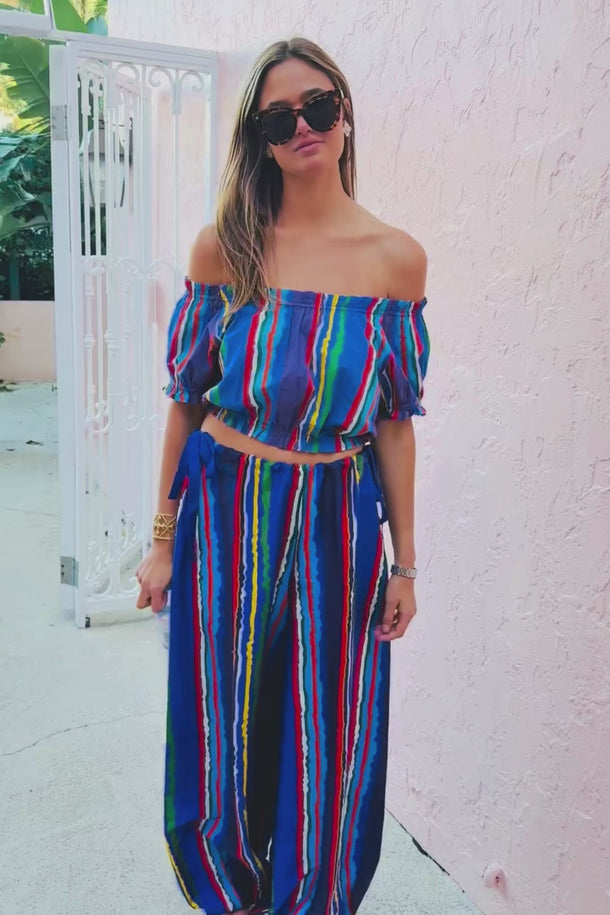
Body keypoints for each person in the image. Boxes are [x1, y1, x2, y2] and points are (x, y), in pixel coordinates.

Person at [136, 35, 430, 915]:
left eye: (319, 106)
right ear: (259, 140)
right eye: (278, 118)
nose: (303, 126)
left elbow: (393, 423)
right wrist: (161, 539)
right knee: (221, 708)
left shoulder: (396, 260)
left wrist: (407, 563)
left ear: (345, 115)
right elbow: (186, 403)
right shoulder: (225, 250)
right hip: (226, 504)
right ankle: (229, 894)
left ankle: (314, 896)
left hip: (340, 511)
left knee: (331, 719)